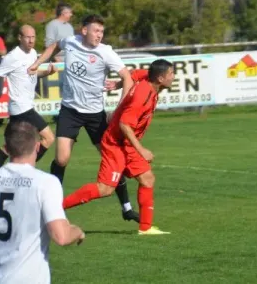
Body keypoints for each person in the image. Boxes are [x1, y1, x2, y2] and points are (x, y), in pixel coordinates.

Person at [28, 14, 139, 222]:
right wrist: (38, 62)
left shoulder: (106, 53)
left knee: (112, 159)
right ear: (84, 30)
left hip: (95, 115)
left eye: (102, 32)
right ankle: (54, 205)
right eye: (96, 30)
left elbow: (127, 78)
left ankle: (126, 207)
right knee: (61, 159)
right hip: (70, 111)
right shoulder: (71, 42)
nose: (99, 35)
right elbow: (54, 46)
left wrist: (117, 109)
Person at [0, 121, 84, 284]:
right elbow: (61, 236)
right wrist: (77, 231)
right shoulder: (45, 182)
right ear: (37, 146)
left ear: (7, 147)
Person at [62, 59, 175, 235]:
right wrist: (142, 150)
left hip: (127, 143)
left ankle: (145, 229)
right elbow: (124, 124)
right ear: (160, 78)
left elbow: (133, 74)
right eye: (171, 74)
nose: (173, 77)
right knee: (105, 189)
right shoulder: (142, 96)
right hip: (116, 143)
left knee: (147, 178)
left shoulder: (148, 77)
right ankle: (56, 209)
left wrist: (119, 83)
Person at [0, 25, 57, 172]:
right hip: (21, 108)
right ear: (20, 38)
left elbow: (31, 74)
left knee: (10, 147)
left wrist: (47, 73)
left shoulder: (33, 53)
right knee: (48, 138)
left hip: (22, 108)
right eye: (27, 37)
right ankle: (22, 170)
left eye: (33, 37)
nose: (31, 40)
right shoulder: (13, 56)